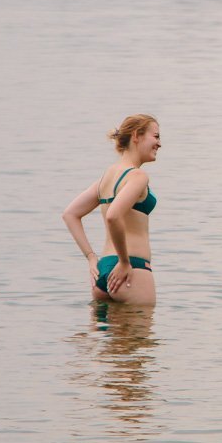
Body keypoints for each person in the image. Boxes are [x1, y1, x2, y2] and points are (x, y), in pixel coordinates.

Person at [62, 114, 161, 305]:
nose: (159, 144)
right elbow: (113, 216)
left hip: (103, 270)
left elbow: (70, 214)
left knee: (110, 326)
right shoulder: (138, 176)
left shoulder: (106, 178)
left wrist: (91, 258)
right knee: (142, 325)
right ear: (136, 135)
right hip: (131, 270)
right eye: (155, 136)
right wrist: (124, 262)